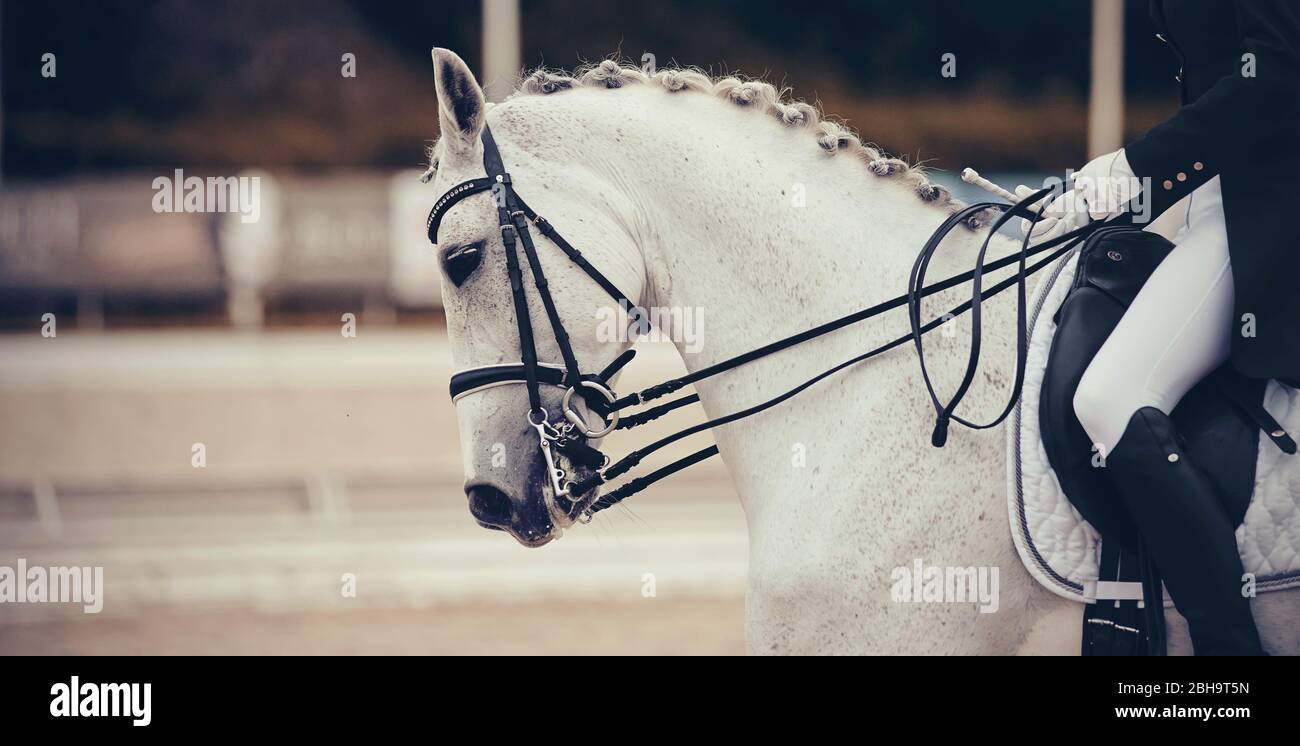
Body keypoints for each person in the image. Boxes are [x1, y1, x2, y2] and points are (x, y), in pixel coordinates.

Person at [1021, 1, 1300, 655]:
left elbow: (1280, 73)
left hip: (1268, 209)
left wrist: (1134, 168)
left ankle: (1229, 651)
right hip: (1218, 197)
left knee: (1113, 396)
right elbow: (1222, 87)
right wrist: (1128, 195)